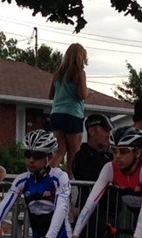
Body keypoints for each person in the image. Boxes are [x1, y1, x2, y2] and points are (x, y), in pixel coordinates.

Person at [71, 113, 115, 238]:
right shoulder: (82, 155)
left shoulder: (108, 156)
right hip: (91, 217)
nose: (108, 134)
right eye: (104, 130)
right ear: (92, 130)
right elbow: (93, 177)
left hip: (109, 214)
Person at [48, 43, 90, 177]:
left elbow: (50, 95)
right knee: (74, 151)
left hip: (56, 113)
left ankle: (48, 176)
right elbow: (82, 95)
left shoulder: (58, 74)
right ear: (81, 57)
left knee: (60, 149)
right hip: (73, 114)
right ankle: (71, 181)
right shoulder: (79, 73)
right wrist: (87, 92)